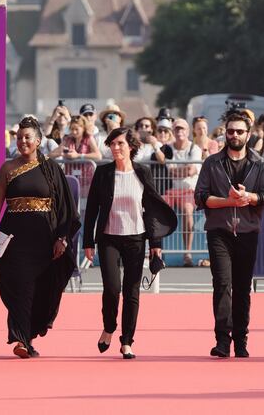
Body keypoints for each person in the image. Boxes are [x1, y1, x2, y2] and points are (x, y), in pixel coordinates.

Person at [0, 117, 80, 358]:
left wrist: (62, 238)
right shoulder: (7, 168)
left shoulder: (51, 168)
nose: (23, 141)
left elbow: (65, 208)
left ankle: (27, 337)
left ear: (38, 141)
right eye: (19, 137)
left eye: (28, 137)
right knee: (19, 287)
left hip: (45, 239)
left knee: (41, 289)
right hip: (13, 237)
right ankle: (20, 339)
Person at [83, 127, 177, 359]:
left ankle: (127, 341)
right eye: (112, 144)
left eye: (120, 144)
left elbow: (152, 209)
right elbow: (92, 209)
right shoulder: (103, 173)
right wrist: (88, 242)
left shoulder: (143, 173)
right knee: (112, 289)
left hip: (136, 237)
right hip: (108, 238)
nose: (115, 148)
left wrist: (156, 243)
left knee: (131, 291)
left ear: (131, 147)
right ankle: (108, 327)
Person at [195, 110, 264, 358]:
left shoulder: (260, 164)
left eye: (240, 131)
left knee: (242, 288)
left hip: (248, 231)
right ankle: (222, 340)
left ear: (248, 134)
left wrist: (248, 198)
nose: (235, 135)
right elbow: (200, 198)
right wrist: (228, 201)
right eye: (230, 131)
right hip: (219, 231)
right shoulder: (212, 163)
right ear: (225, 133)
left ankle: (241, 340)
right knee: (222, 284)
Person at [165, 118, 202, 267]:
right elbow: (170, 172)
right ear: (173, 132)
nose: (179, 132)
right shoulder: (167, 148)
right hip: (172, 190)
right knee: (156, 209)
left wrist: (178, 170)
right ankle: (156, 252)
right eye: (176, 129)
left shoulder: (195, 148)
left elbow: (192, 170)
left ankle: (187, 253)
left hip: (188, 191)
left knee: (187, 211)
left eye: (182, 129)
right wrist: (183, 170)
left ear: (188, 132)